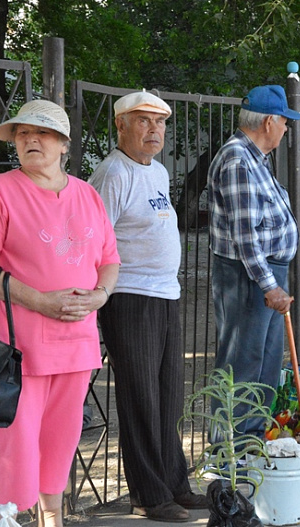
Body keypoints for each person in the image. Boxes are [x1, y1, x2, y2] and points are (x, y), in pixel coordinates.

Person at [0, 99, 120, 527]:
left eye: (43, 132)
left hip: (76, 343)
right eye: (22, 133)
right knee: (16, 442)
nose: (31, 139)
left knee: (61, 439)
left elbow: (109, 259)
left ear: (64, 144)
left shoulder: (87, 194)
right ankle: (11, 519)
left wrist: (102, 295)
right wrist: (40, 301)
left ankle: (54, 518)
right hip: (15, 347)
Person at [88, 92, 205, 522]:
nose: (154, 130)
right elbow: (94, 241)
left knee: (169, 397)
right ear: (120, 125)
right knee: (140, 398)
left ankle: (175, 482)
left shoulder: (156, 170)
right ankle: (149, 495)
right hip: (129, 296)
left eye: (160, 123)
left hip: (165, 294)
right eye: (144, 122)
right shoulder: (113, 173)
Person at [207, 85, 300, 435]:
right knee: (242, 366)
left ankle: (253, 445)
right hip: (249, 276)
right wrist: (270, 285)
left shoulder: (255, 159)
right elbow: (245, 235)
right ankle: (230, 457)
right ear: (268, 122)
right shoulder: (237, 159)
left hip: (265, 273)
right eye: (284, 121)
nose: (286, 128)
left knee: (263, 365)